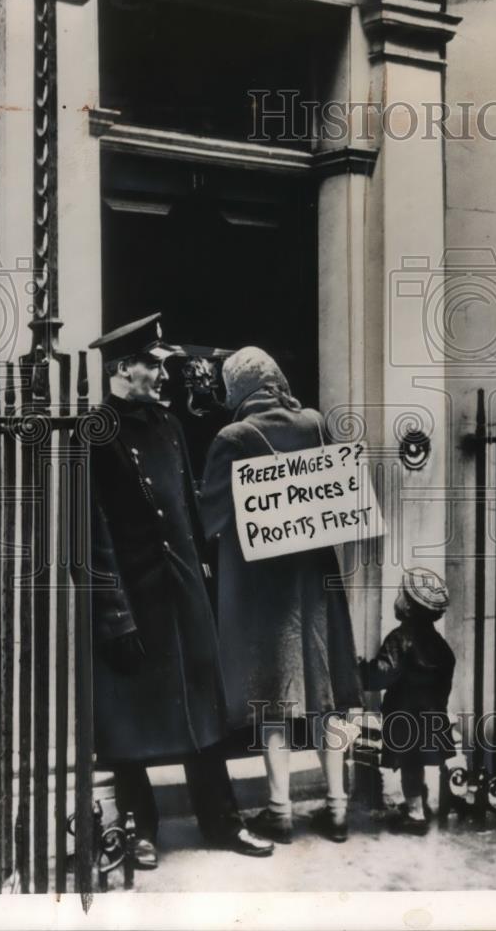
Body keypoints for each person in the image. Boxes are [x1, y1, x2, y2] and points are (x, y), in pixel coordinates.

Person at [76, 314, 273, 868]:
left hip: (184, 595)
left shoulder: (167, 426)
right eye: (153, 364)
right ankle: (139, 827)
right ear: (122, 370)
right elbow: (91, 534)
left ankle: (222, 820)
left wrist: (209, 577)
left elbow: (188, 506)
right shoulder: (95, 431)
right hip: (134, 599)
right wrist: (115, 614)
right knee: (130, 722)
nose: (164, 375)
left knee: (204, 714)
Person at [199, 347, 362, 844]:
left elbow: (213, 518)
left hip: (261, 584)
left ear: (237, 389)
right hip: (314, 576)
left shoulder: (232, 437)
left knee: (273, 695)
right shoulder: (313, 422)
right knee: (325, 689)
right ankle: (336, 808)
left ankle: (280, 810)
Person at [359, 567, 456, 835]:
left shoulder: (399, 639)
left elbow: (381, 675)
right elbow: (445, 681)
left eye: (401, 593)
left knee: (410, 766)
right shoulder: (440, 645)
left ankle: (414, 815)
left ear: (410, 608)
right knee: (419, 763)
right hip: (432, 716)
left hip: (405, 717)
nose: (397, 597)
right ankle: (421, 804)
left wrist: (359, 670)